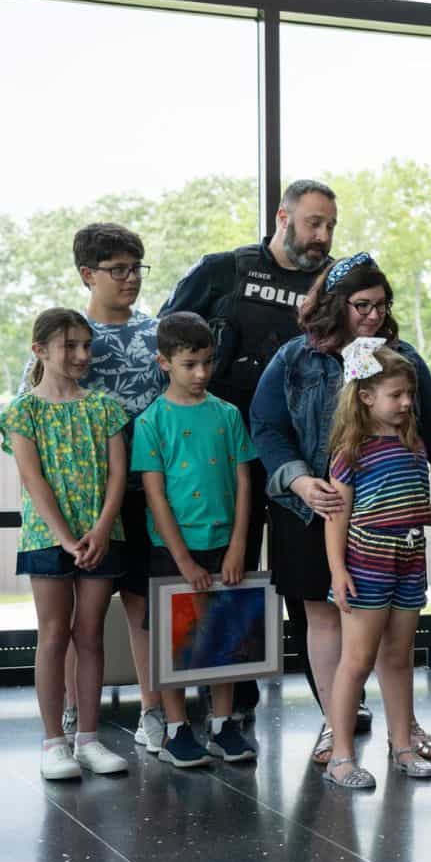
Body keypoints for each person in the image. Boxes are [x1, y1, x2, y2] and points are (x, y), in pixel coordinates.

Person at [250, 253, 431, 767]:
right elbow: (265, 428)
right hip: (311, 508)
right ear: (335, 305)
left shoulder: (403, 358)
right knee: (327, 619)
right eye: (362, 305)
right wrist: (300, 480)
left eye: (382, 305)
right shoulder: (294, 358)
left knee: (392, 638)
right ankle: (338, 731)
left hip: (385, 519)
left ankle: (405, 726)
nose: (374, 316)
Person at [159, 179, 338, 728]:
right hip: (218, 454)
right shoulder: (224, 270)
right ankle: (226, 702)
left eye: (330, 225)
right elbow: (164, 341)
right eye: (313, 223)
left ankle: (335, 704)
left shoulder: (330, 284)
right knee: (226, 573)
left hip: (296, 455)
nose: (323, 235)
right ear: (282, 217)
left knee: (306, 582)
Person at [20, 224, 169, 751]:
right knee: (64, 624)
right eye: (118, 270)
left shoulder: (156, 336)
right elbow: (30, 422)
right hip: (72, 497)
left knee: (143, 604)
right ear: (88, 274)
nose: (131, 279)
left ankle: (155, 713)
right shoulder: (64, 336)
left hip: (146, 492)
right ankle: (67, 716)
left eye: (137, 268)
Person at [320, 341, 431, 789]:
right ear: (366, 397)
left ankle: (403, 745)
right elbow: (336, 517)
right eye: (396, 395)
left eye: (408, 394)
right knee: (356, 662)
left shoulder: (414, 445)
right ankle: (340, 755)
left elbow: (418, 508)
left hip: (409, 563)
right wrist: (338, 570)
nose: (407, 402)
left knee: (398, 658)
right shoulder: (350, 453)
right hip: (367, 564)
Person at [0, 308, 132, 780]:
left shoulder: (105, 408)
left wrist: (100, 528)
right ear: (40, 350)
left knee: (90, 636)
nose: (81, 355)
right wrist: (65, 537)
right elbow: (33, 481)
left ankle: (89, 738)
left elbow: (118, 476)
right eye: (69, 346)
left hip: (100, 536)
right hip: (47, 538)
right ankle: (54, 742)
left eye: (85, 346)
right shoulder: (21, 412)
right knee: (53, 635)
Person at [132, 312, 261, 767]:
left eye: (207, 362)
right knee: (177, 640)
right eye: (190, 364)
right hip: (173, 550)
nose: (202, 373)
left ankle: (223, 726)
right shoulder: (151, 422)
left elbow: (245, 483)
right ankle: (174, 729)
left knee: (223, 635)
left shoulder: (227, 415)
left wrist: (238, 546)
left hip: (224, 544)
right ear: (163, 362)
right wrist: (182, 559)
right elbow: (155, 495)